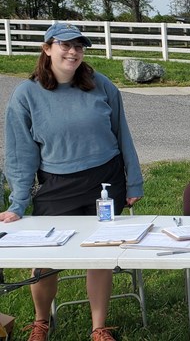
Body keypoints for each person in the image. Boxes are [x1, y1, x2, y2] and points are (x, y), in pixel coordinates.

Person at [0, 23, 144, 341]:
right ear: (47, 48)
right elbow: (20, 154)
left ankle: (98, 327)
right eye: (65, 45)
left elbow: (123, 135)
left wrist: (133, 182)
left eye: (79, 46)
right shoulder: (26, 94)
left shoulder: (101, 85)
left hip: (105, 182)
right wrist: (18, 203)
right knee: (45, 256)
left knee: (99, 253)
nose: (73, 51)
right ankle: (41, 322)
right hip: (56, 184)